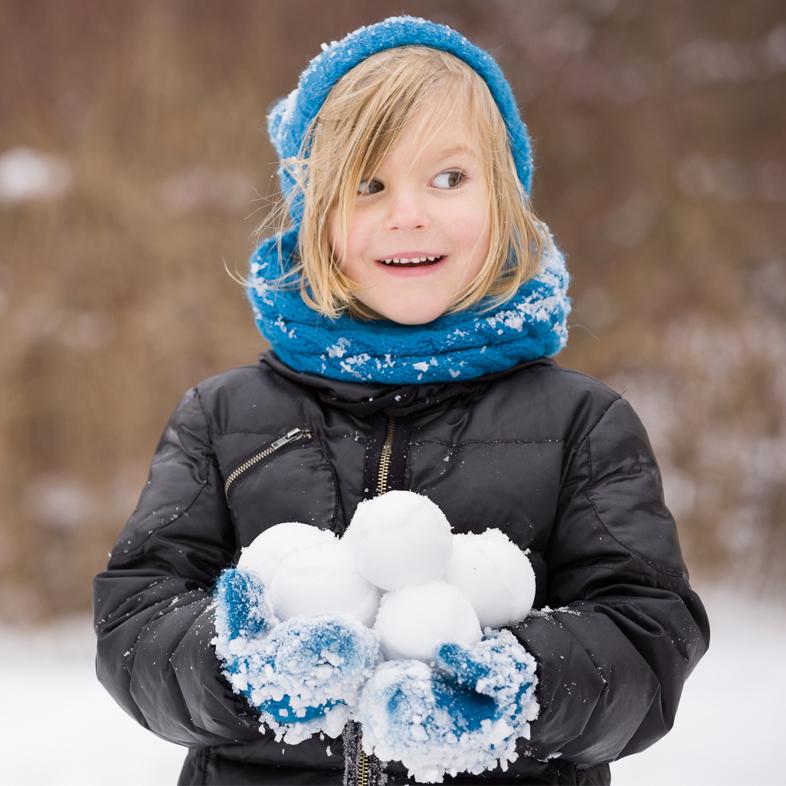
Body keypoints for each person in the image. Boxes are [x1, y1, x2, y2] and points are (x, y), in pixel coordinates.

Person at [93, 15, 709, 786]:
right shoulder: (221, 419)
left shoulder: (581, 425)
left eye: (448, 178)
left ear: (506, 200)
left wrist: (522, 685)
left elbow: (649, 636)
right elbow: (134, 618)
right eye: (369, 184)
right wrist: (236, 665)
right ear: (316, 214)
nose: (408, 213)